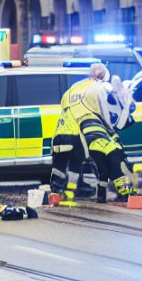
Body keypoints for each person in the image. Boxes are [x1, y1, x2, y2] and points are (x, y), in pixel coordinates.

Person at [48, 64, 107, 199]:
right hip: (78, 135)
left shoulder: (75, 87)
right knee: (77, 164)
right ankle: (71, 191)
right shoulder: (96, 89)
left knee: (59, 165)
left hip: (62, 132)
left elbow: (63, 106)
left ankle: (56, 193)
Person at [75, 76, 138, 202]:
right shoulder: (106, 119)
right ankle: (125, 194)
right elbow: (115, 138)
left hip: (93, 147)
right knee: (116, 173)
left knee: (102, 172)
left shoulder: (86, 118)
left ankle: (101, 196)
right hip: (108, 148)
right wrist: (122, 156)